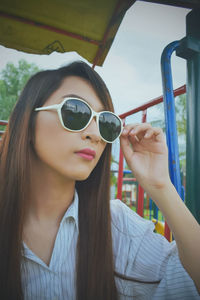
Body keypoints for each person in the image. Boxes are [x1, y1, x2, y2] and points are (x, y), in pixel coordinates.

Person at [0, 61, 199, 300]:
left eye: (106, 123)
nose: (94, 134)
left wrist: (161, 186)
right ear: (28, 123)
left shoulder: (118, 226)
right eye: (75, 111)